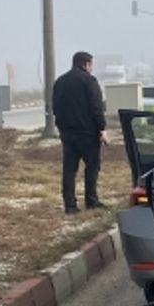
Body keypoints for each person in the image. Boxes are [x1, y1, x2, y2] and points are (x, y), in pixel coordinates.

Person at [52, 51, 107, 214]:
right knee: (92, 167)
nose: (91, 68)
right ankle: (91, 200)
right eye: (91, 65)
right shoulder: (89, 81)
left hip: (67, 133)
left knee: (69, 169)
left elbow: (55, 107)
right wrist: (102, 128)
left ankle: (70, 205)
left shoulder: (60, 82)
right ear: (86, 64)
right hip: (87, 133)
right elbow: (96, 107)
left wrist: (61, 127)